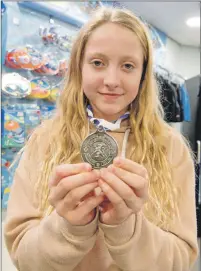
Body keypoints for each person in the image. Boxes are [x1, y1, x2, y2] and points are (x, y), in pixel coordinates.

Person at [4, 7, 198, 271]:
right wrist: (68, 228)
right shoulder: (45, 140)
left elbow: (179, 261)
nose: (111, 80)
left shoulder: (171, 149)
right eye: (97, 63)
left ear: (143, 76)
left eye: (128, 66)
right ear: (78, 67)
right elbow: (24, 258)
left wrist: (126, 227)